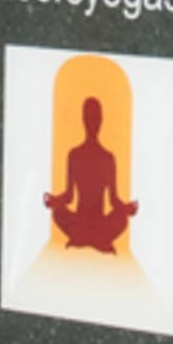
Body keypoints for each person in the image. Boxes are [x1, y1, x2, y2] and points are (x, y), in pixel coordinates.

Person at [45, 95, 136, 255]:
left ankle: (85, 238)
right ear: (83, 120)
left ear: (101, 120)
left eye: (95, 118)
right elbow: (69, 196)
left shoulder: (108, 158)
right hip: (81, 221)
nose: (92, 122)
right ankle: (97, 240)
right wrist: (54, 201)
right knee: (58, 212)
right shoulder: (74, 155)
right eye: (89, 117)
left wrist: (127, 208)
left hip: (99, 222)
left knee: (122, 218)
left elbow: (113, 200)